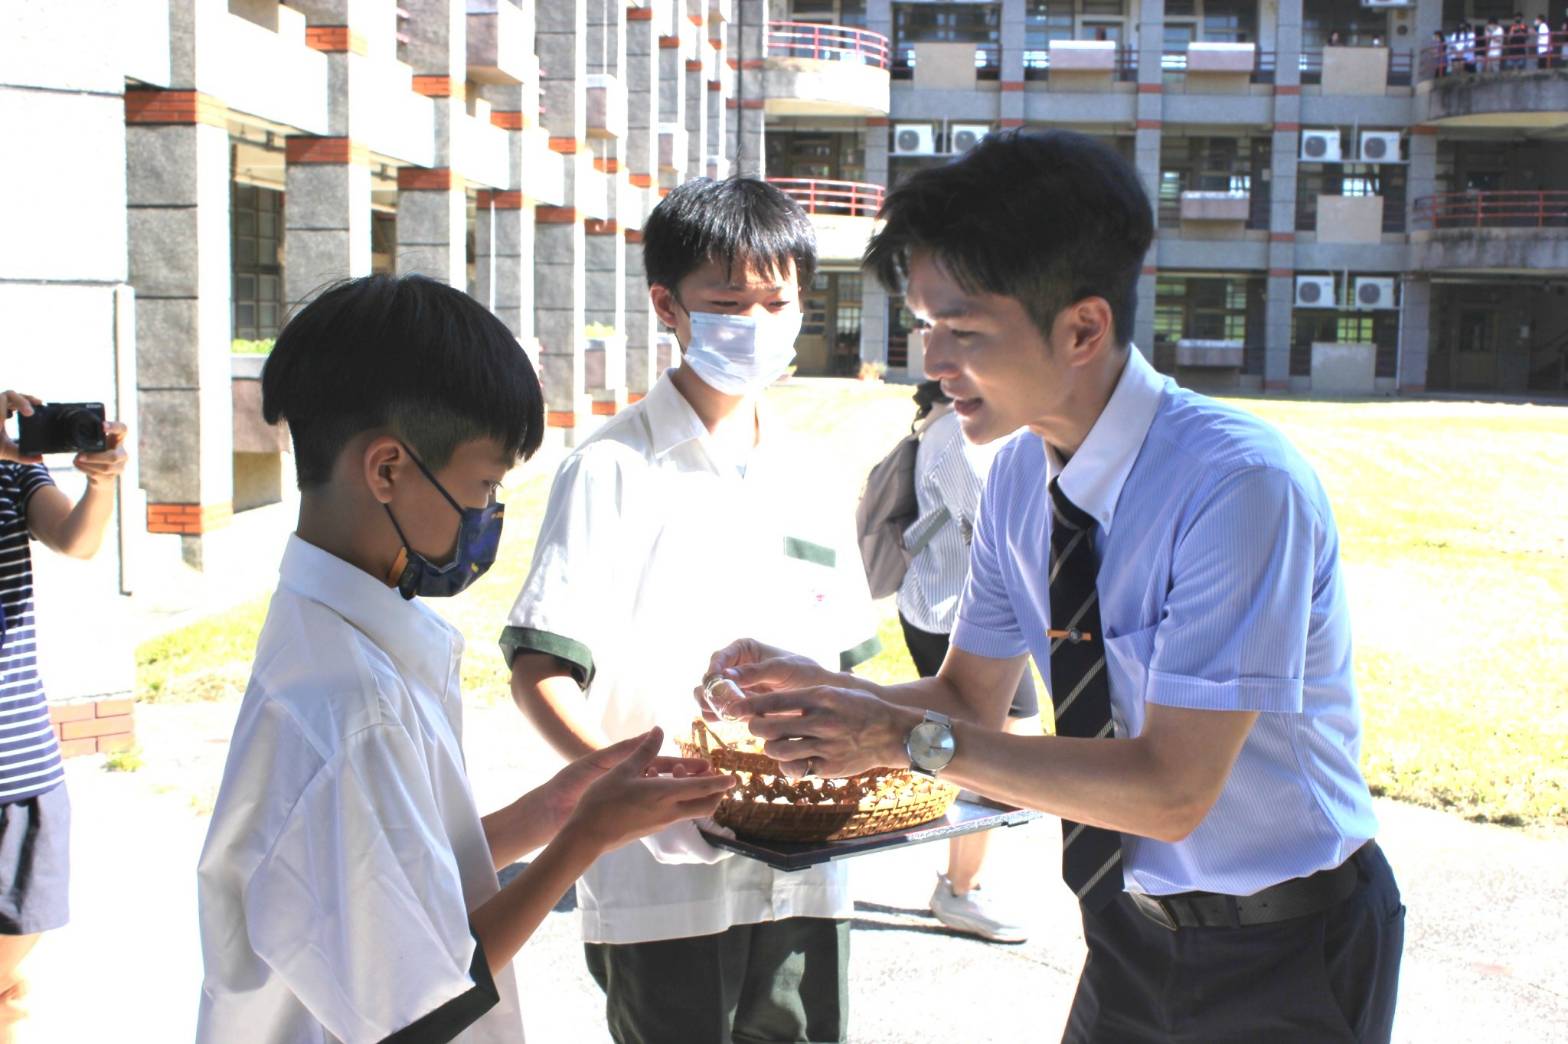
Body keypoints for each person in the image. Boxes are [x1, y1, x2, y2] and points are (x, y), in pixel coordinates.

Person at [701, 130, 1405, 1042]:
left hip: (1283, 948)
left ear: (1082, 328)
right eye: (924, 327)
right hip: (1128, 929)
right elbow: (965, 700)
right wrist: (825, 693)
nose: (934, 363)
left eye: (963, 331)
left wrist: (904, 740)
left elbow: (1170, 791)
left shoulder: (1236, 487)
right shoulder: (1022, 483)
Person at [195, 275, 733, 1043]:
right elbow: (425, 1002)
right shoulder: (352, 704)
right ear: (386, 470)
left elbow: (387, 875)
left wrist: (552, 811)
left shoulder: (331, 639)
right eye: (483, 484)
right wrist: (586, 839)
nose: (487, 515)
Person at [502, 177, 880, 1044]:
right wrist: (624, 786)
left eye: (777, 301)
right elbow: (541, 668)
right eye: (728, 302)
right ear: (668, 306)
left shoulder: (812, 476)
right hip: (663, 881)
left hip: (808, 866)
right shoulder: (612, 468)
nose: (757, 322)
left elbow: (854, 674)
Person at [892, 381, 1039, 944]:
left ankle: (963, 881)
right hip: (953, 613)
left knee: (989, 748)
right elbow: (987, 524)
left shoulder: (951, 426)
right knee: (988, 752)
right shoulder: (956, 433)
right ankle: (960, 891)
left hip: (966, 612)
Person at [0, 391, 127, 1041]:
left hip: (19, 765)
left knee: (11, 987)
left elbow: (75, 540)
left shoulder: (13, 467)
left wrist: (100, 483)